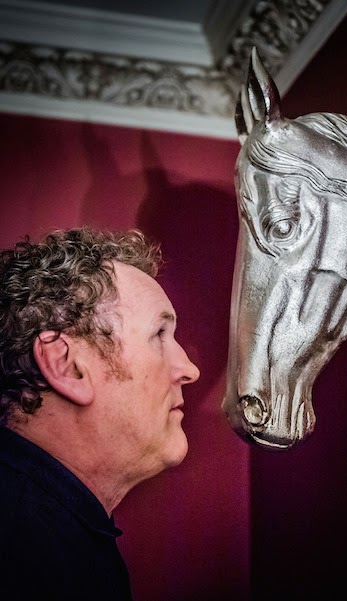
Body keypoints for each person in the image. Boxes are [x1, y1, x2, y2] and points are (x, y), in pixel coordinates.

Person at [0, 226, 200, 601]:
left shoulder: (54, 529)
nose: (189, 370)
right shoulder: (21, 555)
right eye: (159, 335)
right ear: (67, 366)